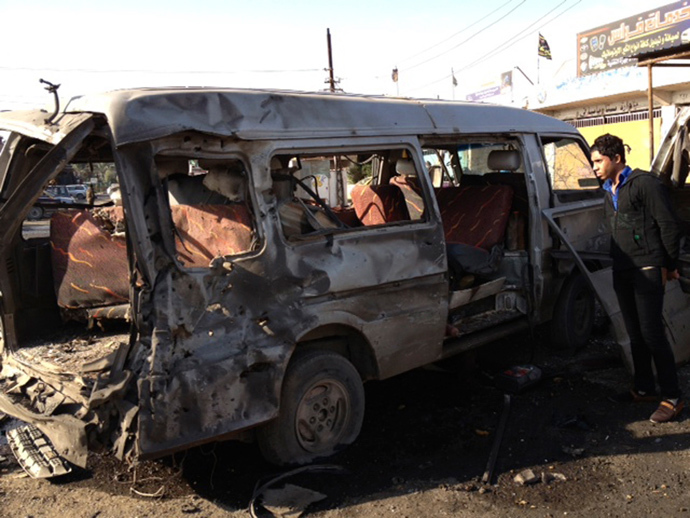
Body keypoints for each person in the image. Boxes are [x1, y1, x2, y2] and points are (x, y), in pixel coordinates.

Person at [591, 134, 683, 423]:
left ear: (616, 158)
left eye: (598, 161)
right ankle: (644, 388)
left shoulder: (645, 184)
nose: (594, 167)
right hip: (623, 268)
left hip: (647, 266)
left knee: (652, 333)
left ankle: (673, 397)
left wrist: (668, 264)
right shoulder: (609, 190)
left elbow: (668, 225)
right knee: (635, 334)